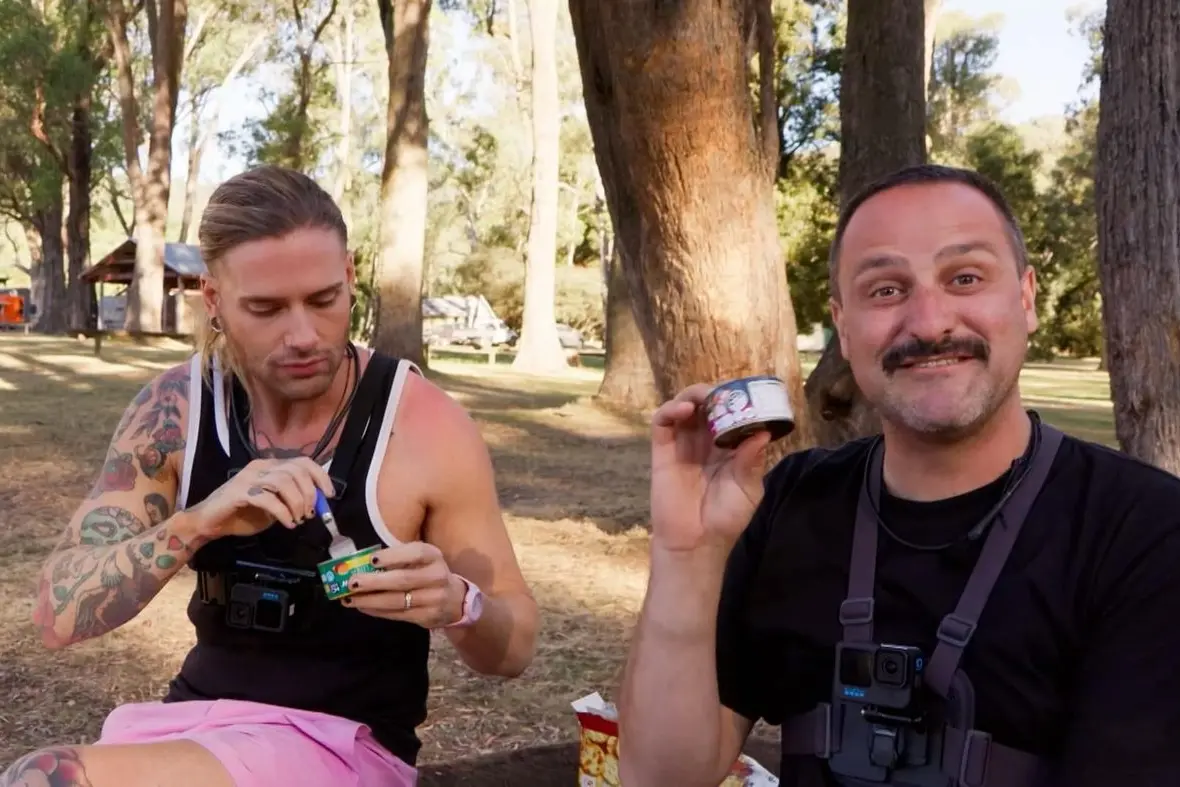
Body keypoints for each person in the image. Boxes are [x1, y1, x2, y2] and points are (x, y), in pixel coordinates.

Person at [616, 164, 1180, 787]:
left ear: (1025, 298)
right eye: (886, 289)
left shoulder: (1146, 531)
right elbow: (663, 776)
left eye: (964, 278)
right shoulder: (789, 504)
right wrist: (686, 554)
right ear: (844, 325)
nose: (931, 321)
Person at [3, 166, 539, 787]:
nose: (304, 335)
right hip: (195, 726)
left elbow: (516, 646)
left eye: (324, 299)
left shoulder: (424, 425)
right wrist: (200, 522)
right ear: (214, 300)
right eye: (265, 308)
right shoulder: (176, 410)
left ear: (351, 277)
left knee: (45, 777)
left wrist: (459, 604)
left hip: (346, 748)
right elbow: (56, 615)